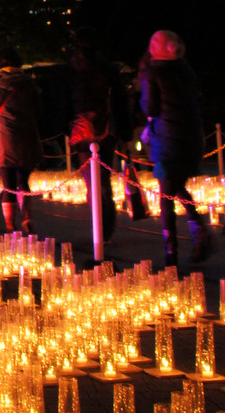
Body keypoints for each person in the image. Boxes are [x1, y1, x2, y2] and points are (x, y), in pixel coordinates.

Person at [140, 29, 211, 270]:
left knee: (166, 196)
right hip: (190, 138)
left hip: (167, 140)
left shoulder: (154, 72)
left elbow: (150, 107)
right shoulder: (185, 69)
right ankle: (198, 229)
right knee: (177, 185)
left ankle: (171, 253)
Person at [67, 26, 145, 241]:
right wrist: (126, 134)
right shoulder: (107, 69)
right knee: (103, 178)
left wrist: (66, 127)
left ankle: (99, 225)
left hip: (81, 131)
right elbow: (120, 102)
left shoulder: (72, 70)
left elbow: (64, 103)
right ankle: (105, 226)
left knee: (90, 181)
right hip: (105, 129)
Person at [0, 47, 41, 233]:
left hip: (3, 138)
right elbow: (38, 109)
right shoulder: (28, 83)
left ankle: (10, 225)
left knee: (8, 184)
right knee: (23, 180)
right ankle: (27, 217)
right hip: (26, 137)